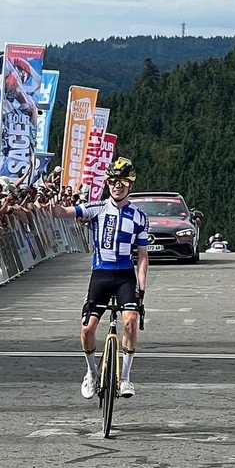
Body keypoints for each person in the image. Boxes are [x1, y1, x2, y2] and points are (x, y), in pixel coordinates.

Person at [52, 157, 149, 399]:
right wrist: (53, 205)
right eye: (114, 182)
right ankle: (91, 373)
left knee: (130, 321)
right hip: (101, 274)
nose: (118, 186)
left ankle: (125, 377)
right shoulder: (96, 208)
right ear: (108, 184)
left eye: (123, 182)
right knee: (86, 329)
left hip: (126, 275)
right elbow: (63, 212)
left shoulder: (139, 216)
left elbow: (144, 256)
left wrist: (142, 288)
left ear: (130, 185)